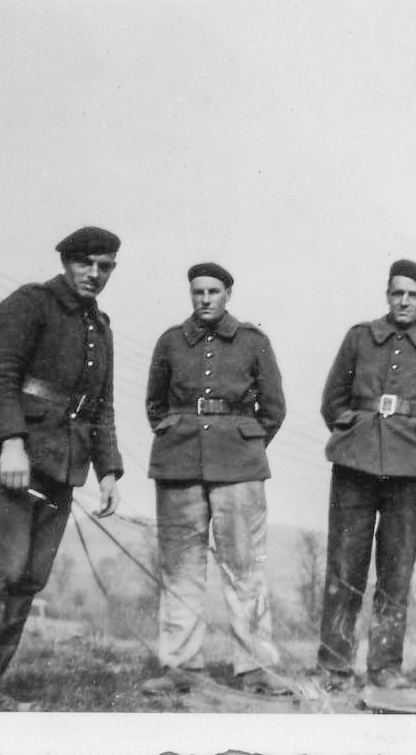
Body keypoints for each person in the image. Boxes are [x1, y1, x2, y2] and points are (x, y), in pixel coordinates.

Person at [0, 226, 124, 711]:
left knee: (30, 577)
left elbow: (101, 407)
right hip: (14, 458)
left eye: (106, 266)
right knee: (1, 571)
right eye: (86, 263)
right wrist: (10, 443)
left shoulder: (101, 327)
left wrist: (108, 470)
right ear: (67, 261)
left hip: (64, 464)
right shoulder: (29, 303)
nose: (95, 274)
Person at [140, 263, 289, 696]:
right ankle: (181, 665)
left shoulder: (252, 342)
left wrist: (243, 444)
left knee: (245, 568)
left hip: (239, 467)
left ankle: (257, 666)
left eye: (213, 291)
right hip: (179, 464)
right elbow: (155, 405)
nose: (204, 299)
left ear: (228, 293)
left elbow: (273, 409)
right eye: (198, 292)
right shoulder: (170, 341)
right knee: (181, 568)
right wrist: (182, 435)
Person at [315, 259, 416, 690]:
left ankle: (384, 667)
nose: (403, 301)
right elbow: (333, 402)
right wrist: (358, 439)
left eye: (413, 296)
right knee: (344, 567)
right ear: (387, 294)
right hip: (355, 467)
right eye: (396, 293)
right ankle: (333, 666)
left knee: (396, 571)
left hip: (413, 475)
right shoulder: (360, 338)